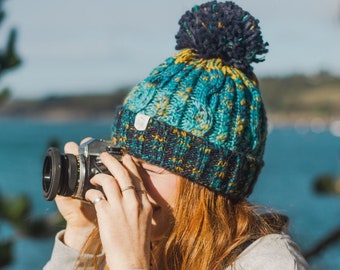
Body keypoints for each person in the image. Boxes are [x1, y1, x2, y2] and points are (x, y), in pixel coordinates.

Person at [44, 1, 310, 269]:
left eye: (148, 166)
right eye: (124, 157)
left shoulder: (271, 262)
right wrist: (81, 234)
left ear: (208, 183)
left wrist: (130, 263)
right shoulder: (151, 242)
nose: (130, 177)